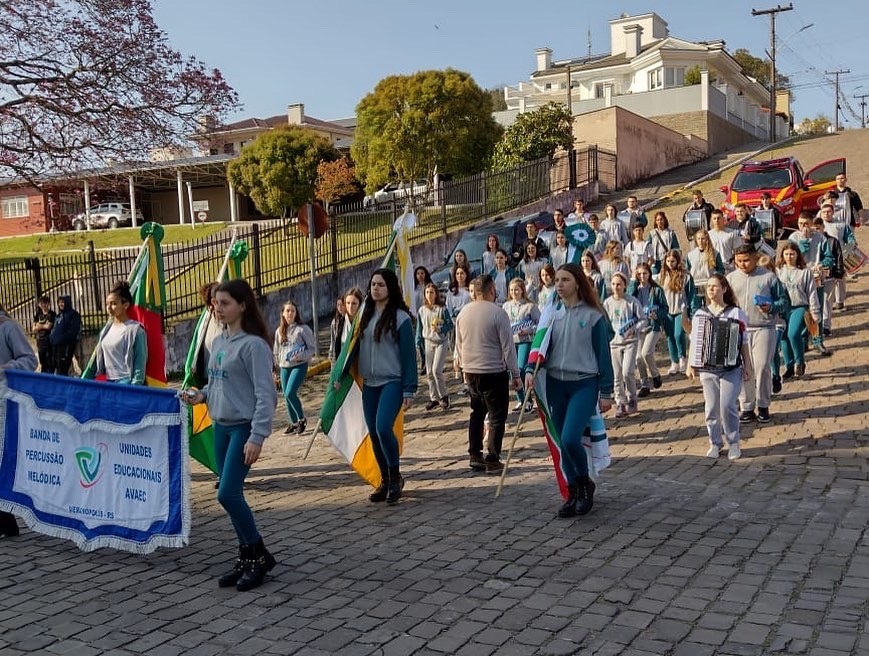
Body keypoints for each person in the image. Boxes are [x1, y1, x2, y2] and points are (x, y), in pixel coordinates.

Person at [182, 279, 278, 592]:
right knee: (228, 495)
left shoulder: (254, 346)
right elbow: (220, 384)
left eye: (225, 303)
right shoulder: (220, 342)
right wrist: (201, 395)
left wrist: (257, 436)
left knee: (227, 493)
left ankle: (258, 553)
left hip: (243, 428)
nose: (218, 309)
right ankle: (247, 556)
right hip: (220, 426)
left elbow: (266, 395)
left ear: (242, 306)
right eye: (215, 303)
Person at [523, 263, 614, 518]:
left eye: (565, 280)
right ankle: (572, 489)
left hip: (584, 383)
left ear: (577, 283)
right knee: (562, 440)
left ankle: (585, 485)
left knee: (571, 438)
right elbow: (539, 346)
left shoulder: (593, 316)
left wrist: (606, 391)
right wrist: (530, 370)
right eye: (557, 281)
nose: (559, 285)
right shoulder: (550, 314)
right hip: (555, 383)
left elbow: (603, 356)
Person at [352, 268, 418, 504]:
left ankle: (395, 476)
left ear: (390, 288)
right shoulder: (364, 314)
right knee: (373, 433)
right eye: (373, 285)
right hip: (370, 383)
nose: (375, 289)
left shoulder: (401, 318)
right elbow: (351, 348)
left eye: (380, 285)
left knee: (382, 427)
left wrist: (409, 387)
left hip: (392, 381)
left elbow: (409, 356)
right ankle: (384, 480)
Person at [454, 275, 521, 473]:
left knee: (477, 413)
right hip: (493, 371)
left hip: (472, 371)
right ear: (492, 290)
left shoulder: (463, 313)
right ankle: (492, 457)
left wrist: (462, 367)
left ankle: (474, 454)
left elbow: (459, 345)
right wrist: (515, 374)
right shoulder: (498, 313)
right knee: (497, 415)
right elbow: (508, 347)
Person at [685, 274, 753, 461]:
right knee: (711, 408)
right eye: (708, 287)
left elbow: (744, 342)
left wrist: (747, 365)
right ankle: (714, 443)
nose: (711, 290)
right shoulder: (700, 314)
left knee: (728, 405)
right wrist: (692, 364)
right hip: (708, 369)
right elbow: (695, 341)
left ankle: (734, 442)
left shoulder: (736, 313)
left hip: (731, 368)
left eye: (715, 287)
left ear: (724, 289)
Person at [727, 245, 790, 424]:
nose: (742, 264)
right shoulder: (730, 278)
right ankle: (747, 406)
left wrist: (771, 307)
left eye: (746, 260)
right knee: (743, 369)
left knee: (762, 366)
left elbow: (784, 301)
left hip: (764, 326)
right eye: (738, 261)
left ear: (755, 258)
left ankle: (763, 404)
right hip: (738, 328)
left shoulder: (769, 277)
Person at [0, 302, 38, 539]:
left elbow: (29, 360)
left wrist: (6, 367)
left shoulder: (8, 328)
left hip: (4, 402)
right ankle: (6, 521)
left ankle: (6, 520)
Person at [83, 282, 147, 385]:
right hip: (108, 382)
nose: (109, 307)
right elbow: (96, 360)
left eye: (113, 303)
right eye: (107, 304)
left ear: (125, 305)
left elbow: (140, 363)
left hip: (126, 382)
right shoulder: (105, 330)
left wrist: (135, 387)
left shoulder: (136, 330)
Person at [789, 211, 834, 353]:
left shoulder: (820, 238)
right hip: (799, 280)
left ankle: (818, 340)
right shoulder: (793, 238)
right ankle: (803, 341)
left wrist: (821, 264)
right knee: (802, 311)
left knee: (816, 309)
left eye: (806, 224)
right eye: (800, 224)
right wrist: (801, 247)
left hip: (816, 279)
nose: (803, 227)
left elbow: (829, 257)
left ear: (812, 224)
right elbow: (787, 257)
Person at [603, 272, 645, 417]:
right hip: (614, 344)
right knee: (616, 374)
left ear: (625, 286)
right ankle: (620, 402)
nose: (616, 287)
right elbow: (603, 322)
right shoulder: (607, 303)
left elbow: (643, 319)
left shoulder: (631, 301)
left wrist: (634, 330)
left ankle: (632, 398)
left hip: (630, 342)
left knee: (627, 371)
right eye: (614, 284)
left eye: (619, 284)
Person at [776, 243, 821, 379]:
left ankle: (799, 361)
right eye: (787, 254)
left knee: (793, 334)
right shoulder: (778, 271)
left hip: (799, 306)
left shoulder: (805, 272)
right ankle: (789, 366)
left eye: (792, 254)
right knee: (783, 337)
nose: (789, 257)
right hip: (783, 308)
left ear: (797, 255)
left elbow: (812, 292)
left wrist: (815, 311)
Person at [274, 300, 315, 435]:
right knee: (286, 396)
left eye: (292, 311)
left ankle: (301, 418)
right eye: (287, 311)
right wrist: (275, 368)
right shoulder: (279, 332)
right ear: (283, 314)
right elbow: (276, 350)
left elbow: (312, 349)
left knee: (290, 392)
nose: (290, 313)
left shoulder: (302, 329)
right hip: (284, 367)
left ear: (296, 313)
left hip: (299, 365)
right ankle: (294, 422)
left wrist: (302, 356)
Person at [627, 263, 667, 397]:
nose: (642, 276)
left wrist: (657, 315)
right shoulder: (635, 289)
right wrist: (633, 280)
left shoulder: (656, 290)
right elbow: (627, 298)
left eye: (644, 273)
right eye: (639, 274)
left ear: (649, 274)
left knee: (646, 352)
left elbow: (664, 308)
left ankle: (655, 375)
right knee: (638, 357)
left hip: (652, 326)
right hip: (639, 327)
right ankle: (644, 383)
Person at [502, 278, 540, 413]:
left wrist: (529, 330)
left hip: (525, 340)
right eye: (511, 290)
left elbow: (539, 324)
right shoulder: (506, 306)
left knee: (521, 368)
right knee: (512, 371)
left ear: (522, 290)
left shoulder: (530, 306)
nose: (514, 292)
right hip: (511, 342)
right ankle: (521, 399)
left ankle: (528, 400)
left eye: (516, 289)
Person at [660, 250, 698, 375]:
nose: (671, 264)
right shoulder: (662, 276)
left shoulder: (685, 276)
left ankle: (682, 358)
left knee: (678, 334)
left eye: (673, 261)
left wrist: (692, 312)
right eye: (668, 261)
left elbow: (691, 295)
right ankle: (674, 361)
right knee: (670, 336)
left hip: (681, 309)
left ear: (678, 261)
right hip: (667, 311)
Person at [416, 283, 453, 411]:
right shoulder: (421, 310)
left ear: (436, 294)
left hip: (440, 342)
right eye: (427, 292)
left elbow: (450, 325)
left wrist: (441, 328)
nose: (429, 295)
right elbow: (420, 328)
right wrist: (418, 340)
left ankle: (444, 396)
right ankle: (434, 397)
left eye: (432, 292)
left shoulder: (442, 309)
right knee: (429, 372)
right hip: (428, 342)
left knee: (437, 370)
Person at [818, 201, 856, 311]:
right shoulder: (817, 226)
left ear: (833, 212)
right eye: (824, 212)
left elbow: (849, 237)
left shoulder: (841, 225)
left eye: (829, 212)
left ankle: (840, 301)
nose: (826, 214)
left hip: (839, 256)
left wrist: (851, 244)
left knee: (840, 280)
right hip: (823, 258)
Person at [685, 229, 725, 307]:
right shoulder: (690, 255)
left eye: (703, 238)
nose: (700, 241)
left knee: (710, 307)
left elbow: (721, 269)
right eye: (698, 239)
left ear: (707, 239)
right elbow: (687, 271)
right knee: (695, 308)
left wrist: (714, 276)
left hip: (709, 285)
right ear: (696, 240)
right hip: (695, 285)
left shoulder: (715, 253)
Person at [49, 295, 81, 376]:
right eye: (59, 303)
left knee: (63, 369)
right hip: (55, 348)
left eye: (62, 302)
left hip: (65, 348)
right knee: (55, 367)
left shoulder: (74, 315)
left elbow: (72, 332)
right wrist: (52, 338)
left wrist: (60, 339)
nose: (60, 304)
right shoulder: (58, 316)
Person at [31, 295, 56, 374]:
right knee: (43, 362)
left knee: (50, 362)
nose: (43, 305)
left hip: (49, 341)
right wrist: (42, 326)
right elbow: (33, 329)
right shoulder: (38, 315)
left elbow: (49, 326)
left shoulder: (52, 314)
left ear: (48, 303)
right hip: (40, 342)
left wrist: (39, 325)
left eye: (45, 303)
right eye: (41, 303)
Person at [340, 287, 365, 351]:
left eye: (354, 303)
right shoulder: (339, 322)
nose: (350, 307)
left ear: (360, 304)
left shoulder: (365, 323)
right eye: (348, 303)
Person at [328, 295, 346, 364]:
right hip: (336, 353)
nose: (340, 307)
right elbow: (333, 339)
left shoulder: (349, 320)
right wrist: (331, 353)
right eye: (338, 305)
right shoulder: (335, 321)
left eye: (342, 305)